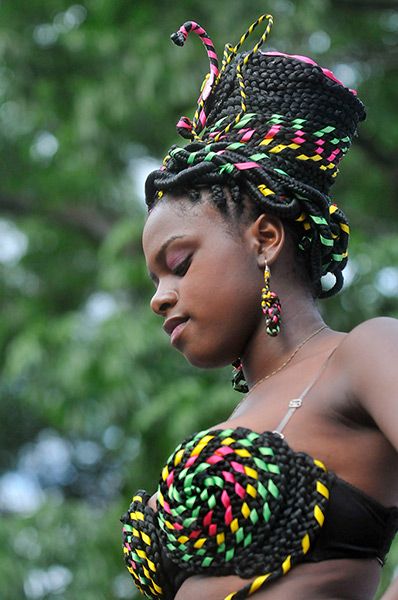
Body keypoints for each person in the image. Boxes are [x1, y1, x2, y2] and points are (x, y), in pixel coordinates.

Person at [121, 15, 398, 600]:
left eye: (180, 262)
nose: (158, 296)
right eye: (153, 278)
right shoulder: (220, 430)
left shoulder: (364, 354)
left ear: (265, 239)